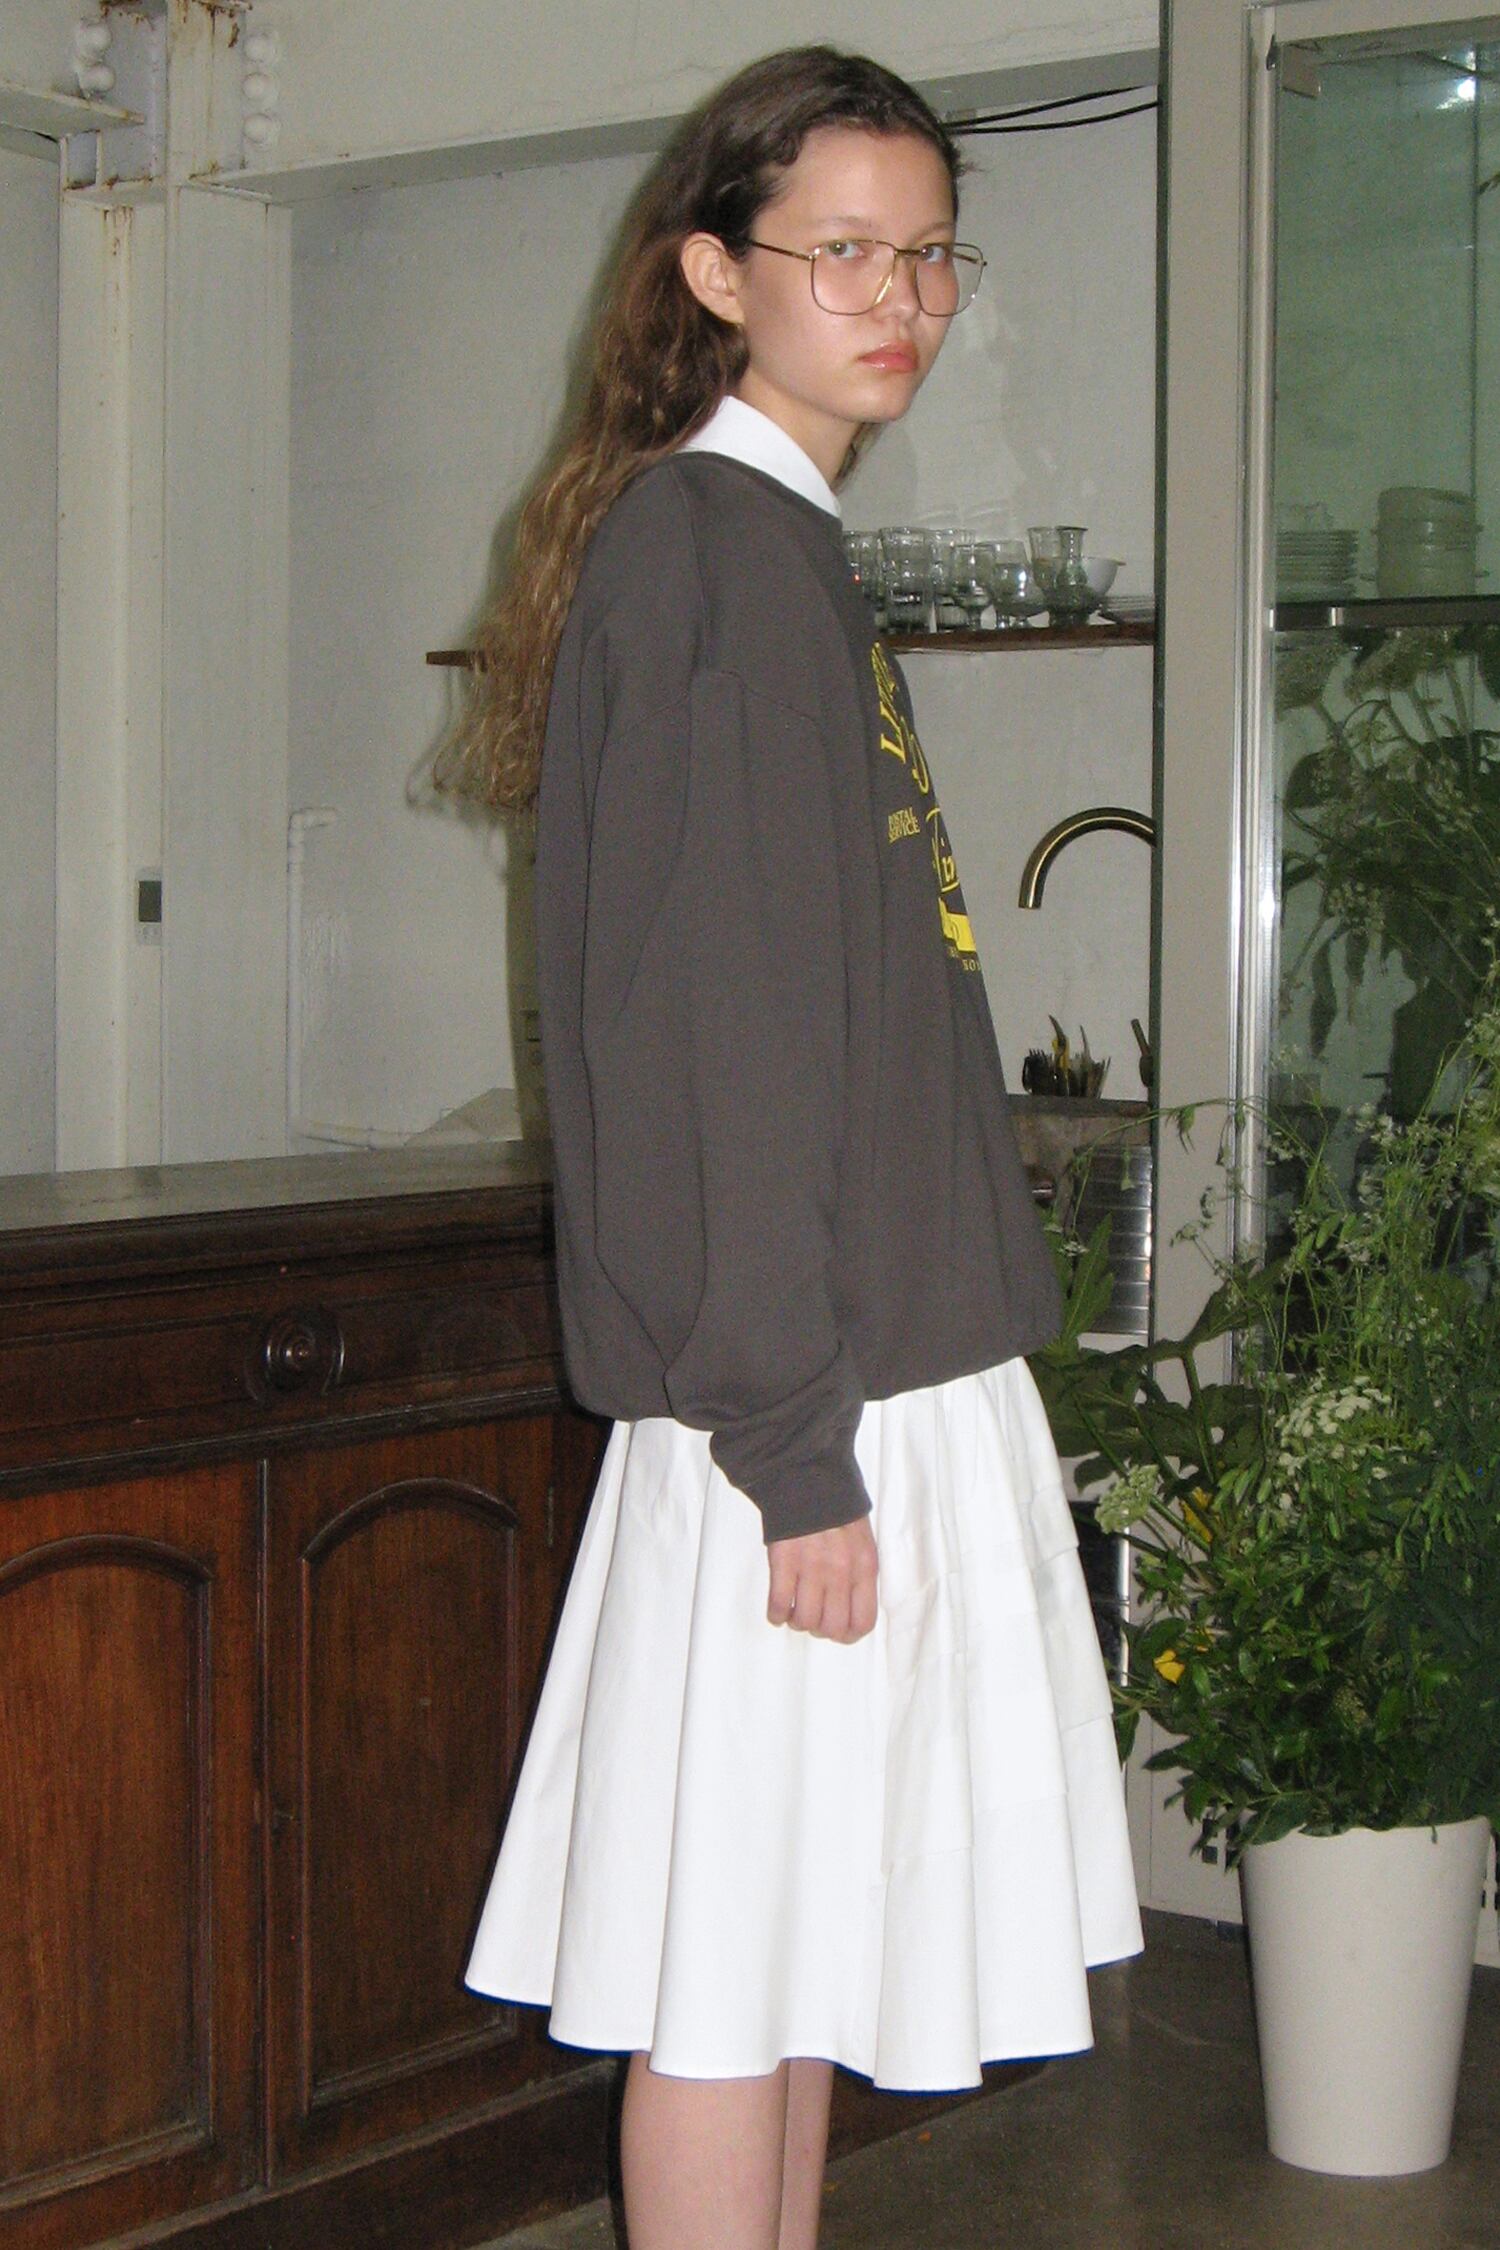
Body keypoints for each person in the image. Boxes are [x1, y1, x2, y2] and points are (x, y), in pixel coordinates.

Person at [451, 45, 1142, 2250]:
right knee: (730, 1975)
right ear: (716, 273)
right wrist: (790, 1440)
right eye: (843, 250)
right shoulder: (718, 553)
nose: (901, 297)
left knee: (795, 1945)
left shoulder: (769, 544)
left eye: (930, 253)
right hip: (807, 1395)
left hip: (857, 1367)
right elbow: (708, 1034)